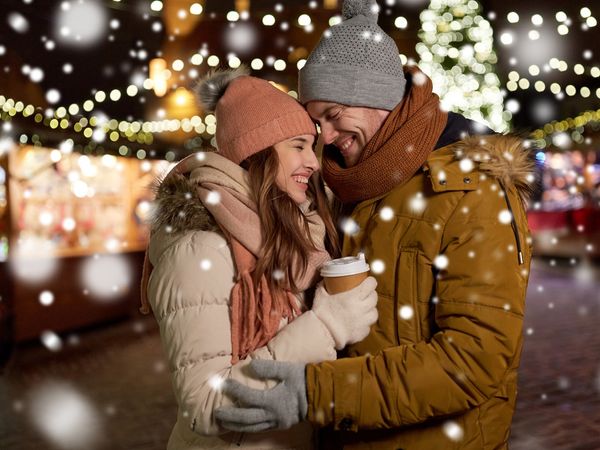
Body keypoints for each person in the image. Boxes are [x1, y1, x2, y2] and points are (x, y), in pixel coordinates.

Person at [214, 1, 535, 449]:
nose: (323, 136)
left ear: (377, 98)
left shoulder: (470, 191)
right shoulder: (349, 186)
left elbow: (474, 360)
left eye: (333, 113)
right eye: (314, 119)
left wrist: (319, 393)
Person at [139, 67, 379, 449]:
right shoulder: (200, 248)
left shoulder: (297, 237)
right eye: (298, 146)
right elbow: (205, 405)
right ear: (259, 152)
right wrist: (327, 327)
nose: (314, 163)